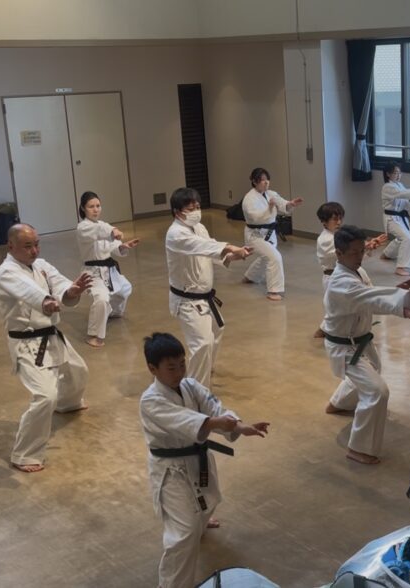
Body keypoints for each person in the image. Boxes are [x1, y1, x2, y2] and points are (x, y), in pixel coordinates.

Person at [139, 332, 269, 588]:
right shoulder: (150, 400)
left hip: (197, 459)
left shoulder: (190, 386)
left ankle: (200, 521)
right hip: (171, 470)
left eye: (182, 364)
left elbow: (215, 408)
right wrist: (215, 423)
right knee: (183, 535)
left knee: (208, 503)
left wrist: (239, 426)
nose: (179, 372)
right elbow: (186, 421)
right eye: (171, 368)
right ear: (153, 369)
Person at [322, 225, 410, 465]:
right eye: (354, 252)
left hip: (359, 341)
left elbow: (368, 296)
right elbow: (368, 298)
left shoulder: (356, 272)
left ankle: (338, 403)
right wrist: (406, 311)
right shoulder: (340, 282)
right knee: (377, 391)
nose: (360, 256)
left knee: (372, 371)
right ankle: (359, 448)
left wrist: (395, 291)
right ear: (339, 253)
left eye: (362, 251)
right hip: (344, 347)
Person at [0, 223, 93, 473]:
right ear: (11, 246)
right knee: (45, 396)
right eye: (28, 246)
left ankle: (68, 403)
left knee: (78, 371)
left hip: (51, 335)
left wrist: (72, 290)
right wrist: (45, 301)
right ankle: (24, 454)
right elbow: (27, 291)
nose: (35, 250)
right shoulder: (5, 272)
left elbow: (60, 285)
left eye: (37, 244)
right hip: (27, 342)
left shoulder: (41, 266)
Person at [166, 187, 253, 389]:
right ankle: (194, 390)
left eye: (198, 206)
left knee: (216, 330)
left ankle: (205, 368)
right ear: (178, 212)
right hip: (187, 300)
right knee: (202, 344)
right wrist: (230, 247)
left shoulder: (199, 228)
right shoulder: (175, 234)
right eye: (191, 208)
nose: (196, 211)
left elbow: (209, 249)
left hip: (205, 297)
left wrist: (231, 256)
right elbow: (202, 246)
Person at [75, 191, 139, 348]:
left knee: (125, 288)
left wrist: (123, 246)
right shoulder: (82, 227)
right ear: (83, 208)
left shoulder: (103, 225)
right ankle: (93, 335)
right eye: (91, 206)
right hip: (92, 272)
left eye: (98, 206)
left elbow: (112, 245)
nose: (95, 209)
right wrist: (112, 231)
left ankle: (113, 312)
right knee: (102, 298)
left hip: (108, 269)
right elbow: (100, 231)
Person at [314, 202, 388, 338]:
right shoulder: (325, 239)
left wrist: (368, 247)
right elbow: (345, 252)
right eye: (334, 219)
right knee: (339, 308)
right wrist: (366, 245)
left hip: (352, 274)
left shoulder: (339, 236)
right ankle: (329, 331)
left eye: (340, 218)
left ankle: (353, 328)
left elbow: (353, 256)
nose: (339, 222)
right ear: (324, 221)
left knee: (359, 301)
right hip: (334, 278)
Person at [240, 168, 304, 301]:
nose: (266, 182)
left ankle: (250, 276)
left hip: (270, 234)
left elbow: (282, 204)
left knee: (267, 256)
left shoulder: (271, 194)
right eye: (262, 180)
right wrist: (269, 208)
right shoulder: (249, 199)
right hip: (255, 235)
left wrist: (290, 204)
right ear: (254, 181)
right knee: (274, 257)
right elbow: (255, 218)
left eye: (267, 180)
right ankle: (274, 290)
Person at [379, 162, 410, 276]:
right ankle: (401, 267)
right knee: (406, 238)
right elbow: (402, 194)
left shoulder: (400, 185)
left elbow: (406, 203)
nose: (398, 175)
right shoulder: (387, 187)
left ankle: (387, 254)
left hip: (400, 217)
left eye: (399, 173)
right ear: (388, 174)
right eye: (395, 173)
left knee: (402, 238)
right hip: (391, 219)